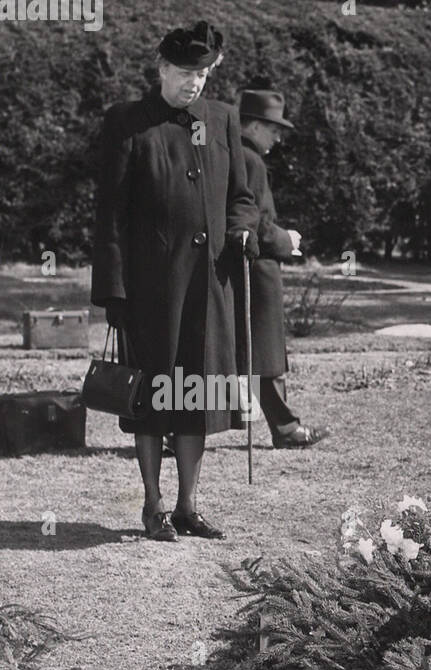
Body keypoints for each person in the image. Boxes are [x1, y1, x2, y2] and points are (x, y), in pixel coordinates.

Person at [91, 19, 259, 541]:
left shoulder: (223, 118)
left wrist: (242, 231)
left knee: (198, 395)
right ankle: (153, 505)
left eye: (203, 74)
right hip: (149, 291)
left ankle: (188, 505)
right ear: (161, 68)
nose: (194, 83)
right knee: (152, 397)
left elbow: (242, 196)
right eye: (185, 72)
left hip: (210, 289)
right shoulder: (127, 122)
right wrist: (113, 292)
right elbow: (110, 214)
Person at [234, 88, 331, 449]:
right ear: (256, 125)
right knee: (266, 353)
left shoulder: (233, 155)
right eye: (274, 129)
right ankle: (286, 428)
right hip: (257, 267)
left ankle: (284, 426)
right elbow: (254, 221)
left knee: (244, 351)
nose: (278, 137)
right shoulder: (251, 160)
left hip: (246, 264)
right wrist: (286, 240)